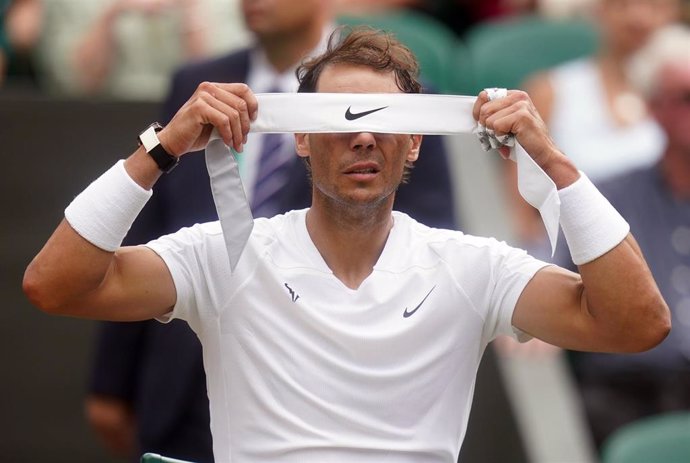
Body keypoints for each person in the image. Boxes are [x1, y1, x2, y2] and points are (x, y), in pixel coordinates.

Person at [24, 28, 670, 462]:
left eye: (387, 123)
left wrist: (552, 159)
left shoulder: (472, 265)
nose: (363, 138)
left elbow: (638, 323)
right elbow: (54, 283)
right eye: (337, 121)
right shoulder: (225, 256)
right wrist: (162, 146)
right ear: (300, 138)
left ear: (415, 141)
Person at [85, 2, 457, 460]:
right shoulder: (199, 84)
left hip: (317, 394)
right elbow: (150, 227)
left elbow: (423, 256)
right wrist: (110, 381)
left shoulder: (403, 102)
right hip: (181, 382)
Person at [556, 24, 690, 450]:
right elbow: (548, 260)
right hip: (627, 392)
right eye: (687, 99)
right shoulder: (607, 197)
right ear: (654, 108)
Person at [511, 0, 680, 251]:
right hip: (575, 258)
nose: (638, 17)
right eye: (622, 5)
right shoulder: (549, 91)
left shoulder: (680, 95)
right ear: (599, 9)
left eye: (654, 5)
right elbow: (522, 216)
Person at [31, 0, 248, 100]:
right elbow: (78, 84)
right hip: (105, 118)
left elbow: (224, 86)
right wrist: (114, 12)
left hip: (194, 123)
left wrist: (190, 13)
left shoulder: (226, 5)